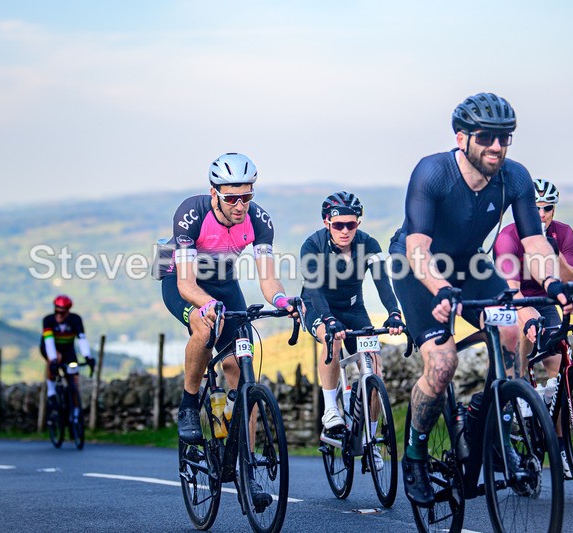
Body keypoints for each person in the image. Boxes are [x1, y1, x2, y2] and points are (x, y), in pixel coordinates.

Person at [388, 92, 573, 506]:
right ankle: (415, 455)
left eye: (505, 138)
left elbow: (536, 243)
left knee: (518, 328)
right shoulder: (432, 173)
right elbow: (417, 247)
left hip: (469, 267)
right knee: (442, 364)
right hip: (415, 267)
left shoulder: (516, 177)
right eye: (486, 137)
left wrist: (552, 285)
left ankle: (490, 420)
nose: (497, 146)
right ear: (462, 138)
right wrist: (440, 290)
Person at [158, 152, 298, 509]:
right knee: (204, 331)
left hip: (225, 284)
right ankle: (189, 405)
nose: (240, 205)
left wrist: (281, 300)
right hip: (182, 282)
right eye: (231, 197)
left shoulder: (259, 220)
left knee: (241, 367)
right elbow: (187, 282)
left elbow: (268, 277)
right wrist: (204, 307)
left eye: (247, 196)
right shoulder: (192, 213)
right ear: (214, 192)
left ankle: (246, 468)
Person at [300, 191, 405, 468]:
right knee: (331, 340)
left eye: (351, 224)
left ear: (358, 223)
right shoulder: (312, 245)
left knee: (374, 365)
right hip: (318, 306)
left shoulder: (369, 243)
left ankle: (370, 441)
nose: (345, 230)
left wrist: (394, 312)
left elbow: (382, 280)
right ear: (327, 223)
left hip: (354, 308)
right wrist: (327, 319)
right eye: (338, 225)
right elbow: (313, 288)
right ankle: (331, 411)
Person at [493, 177, 573, 478]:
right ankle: (522, 396)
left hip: (545, 299)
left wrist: (552, 250)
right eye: (535, 208)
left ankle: (560, 451)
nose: (542, 214)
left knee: (558, 368)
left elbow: (572, 279)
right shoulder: (508, 237)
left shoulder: (564, 233)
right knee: (522, 339)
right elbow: (513, 290)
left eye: (548, 208)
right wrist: (526, 316)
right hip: (512, 298)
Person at [40, 295, 94, 414]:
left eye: (62, 313)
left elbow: (82, 339)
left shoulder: (75, 319)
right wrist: (53, 360)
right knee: (55, 359)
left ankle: (75, 412)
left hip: (68, 351)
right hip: (50, 348)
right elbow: (49, 342)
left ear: (68, 311)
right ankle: (52, 392)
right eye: (56, 311)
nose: (59, 315)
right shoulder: (48, 320)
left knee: (74, 379)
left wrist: (88, 356)